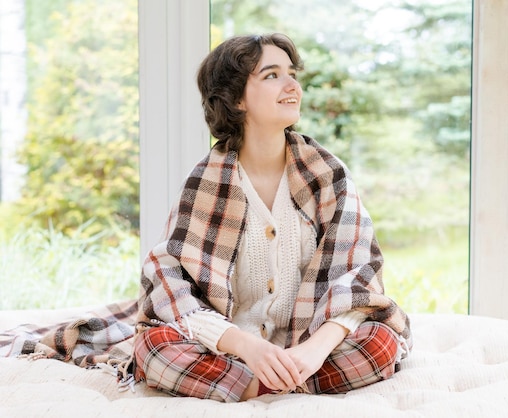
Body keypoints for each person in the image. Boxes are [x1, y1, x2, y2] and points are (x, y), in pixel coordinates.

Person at [131, 33, 413, 403]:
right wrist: (247, 347)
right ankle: (281, 383)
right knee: (152, 347)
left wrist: (311, 352)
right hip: (231, 349)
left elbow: (357, 277)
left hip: (309, 346)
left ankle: (251, 386)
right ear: (235, 99)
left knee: (380, 342)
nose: (292, 84)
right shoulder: (205, 181)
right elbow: (169, 281)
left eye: (292, 73)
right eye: (271, 75)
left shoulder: (326, 174)